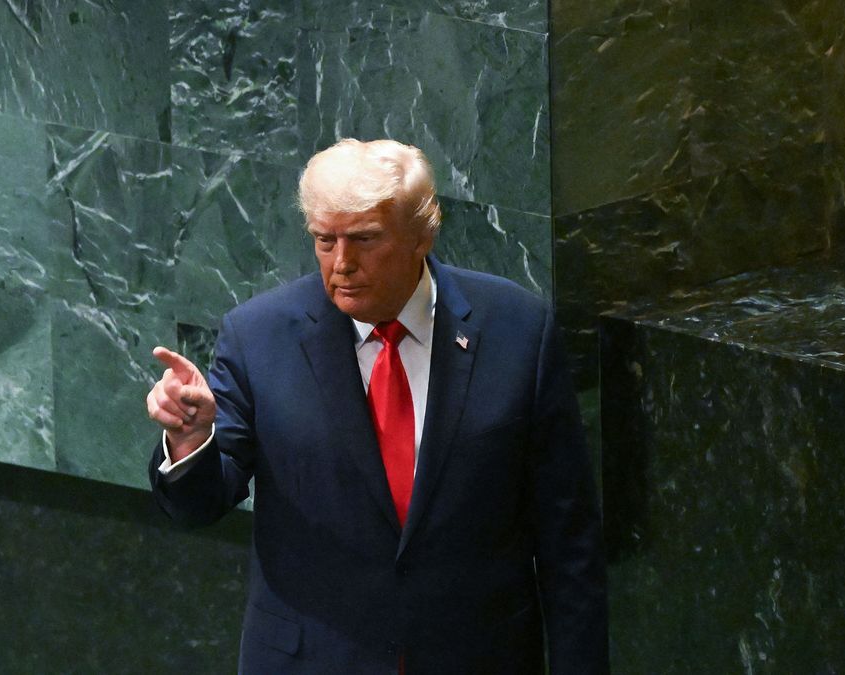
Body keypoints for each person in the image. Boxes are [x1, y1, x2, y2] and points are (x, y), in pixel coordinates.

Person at [146, 138, 607, 674]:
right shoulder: (259, 337)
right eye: (324, 240)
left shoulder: (518, 330)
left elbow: (568, 538)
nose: (341, 263)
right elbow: (199, 505)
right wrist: (190, 440)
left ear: (422, 234)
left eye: (364, 239)